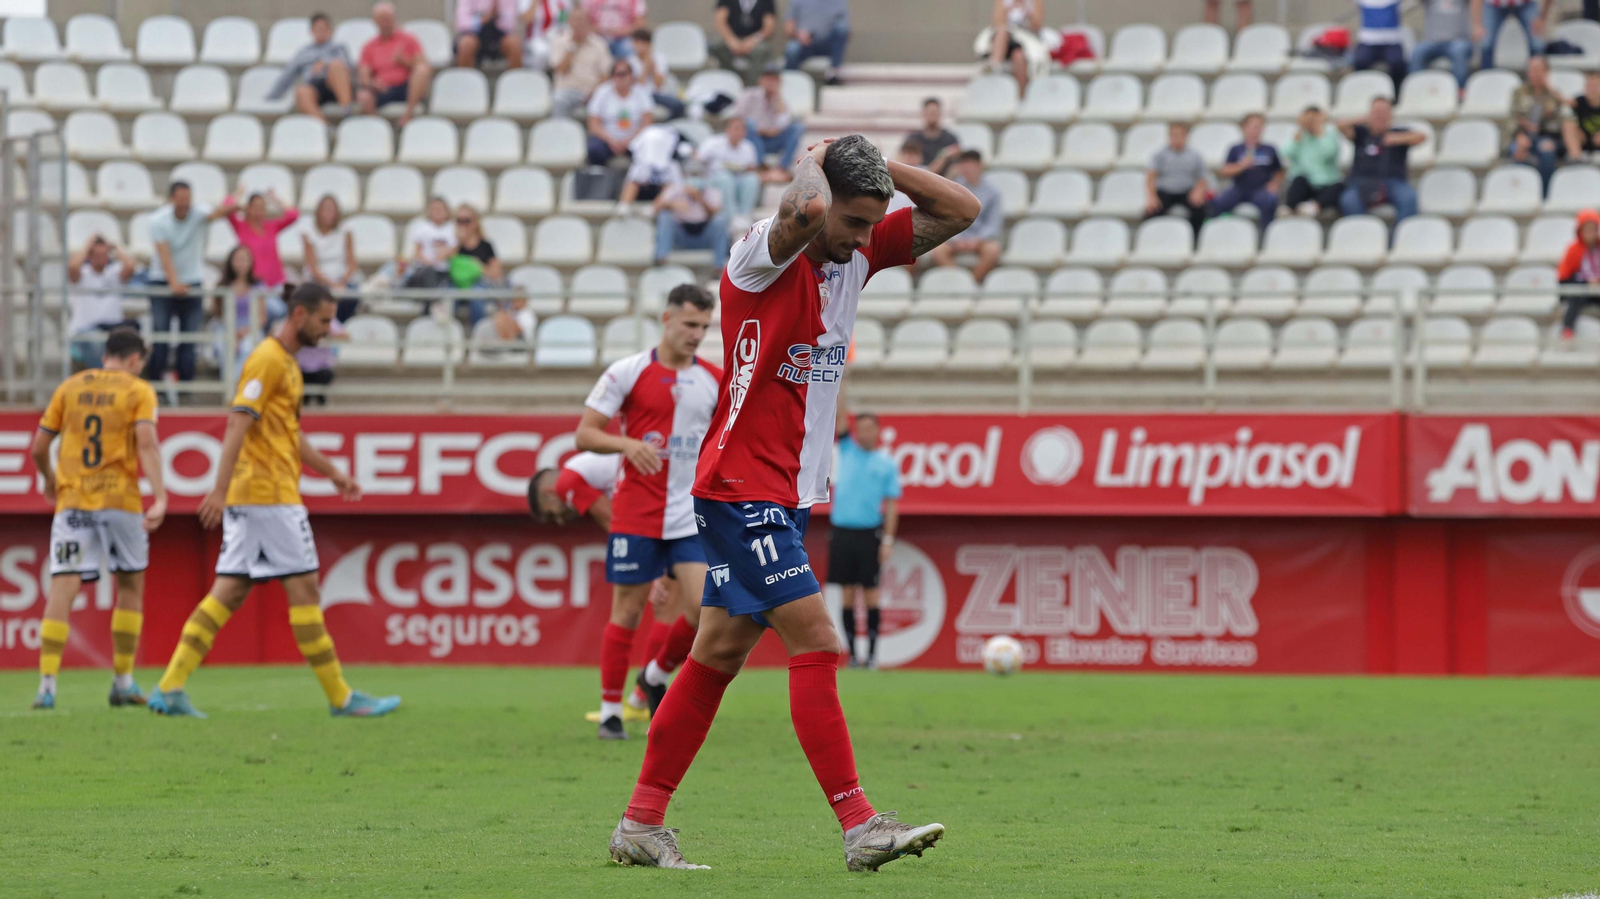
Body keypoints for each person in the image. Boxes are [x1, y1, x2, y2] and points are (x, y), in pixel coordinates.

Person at [607, 133, 979, 872]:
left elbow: (960, 209)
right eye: (855, 221)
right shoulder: (759, 255)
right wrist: (819, 155)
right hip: (744, 487)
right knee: (819, 640)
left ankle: (640, 823)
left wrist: (874, 166)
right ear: (827, 203)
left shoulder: (857, 253)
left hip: (788, 493)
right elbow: (806, 208)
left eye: (874, 223)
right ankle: (860, 823)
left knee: (714, 655)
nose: (865, 237)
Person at [147, 283, 400, 720]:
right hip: (269, 496)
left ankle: (170, 687)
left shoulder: (288, 365)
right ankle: (341, 697)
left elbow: (289, 434)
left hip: (261, 495)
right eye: (324, 320)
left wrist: (333, 472)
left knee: (228, 592)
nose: (329, 329)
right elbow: (236, 423)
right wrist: (219, 489)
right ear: (299, 315)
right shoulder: (267, 359)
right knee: (305, 589)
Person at [575, 284, 720, 738]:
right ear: (667, 320)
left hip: (688, 514)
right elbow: (585, 434)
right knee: (629, 611)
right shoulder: (627, 371)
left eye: (703, 327)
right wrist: (627, 444)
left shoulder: (716, 378)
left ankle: (655, 675)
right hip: (637, 512)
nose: (696, 334)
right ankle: (611, 711)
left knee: (703, 610)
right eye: (690, 324)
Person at [28, 329, 166, 710]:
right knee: (130, 586)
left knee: (63, 587)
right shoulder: (138, 391)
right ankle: (122, 681)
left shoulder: (69, 388)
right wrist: (161, 495)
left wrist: (51, 480)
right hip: (120, 502)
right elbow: (148, 443)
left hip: (74, 502)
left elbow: (39, 447)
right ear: (136, 359)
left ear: (106, 354)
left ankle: (47, 687)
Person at [527, 453, 678, 725]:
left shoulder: (569, 480)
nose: (561, 520)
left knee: (635, 611)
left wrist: (651, 567)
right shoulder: (594, 468)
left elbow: (614, 520)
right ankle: (640, 697)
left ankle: (621, 705)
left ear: (551, 493)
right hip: (669, 511)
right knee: (669, 610)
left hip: (662, 518)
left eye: (552, 514)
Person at [828, 410, 900, 670]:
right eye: (860, 429)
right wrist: (842, 376)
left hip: (870, 534)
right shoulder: (846, 450)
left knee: (871, 595)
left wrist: (888, 540)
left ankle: (871, 656)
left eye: (869, 428)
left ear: (877, 431)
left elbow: (892, 504)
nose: (864, 434)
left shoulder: (886, 463)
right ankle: (852, 656)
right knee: (847, 594)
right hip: (842, 532)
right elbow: (838, 418)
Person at [145, 181, 229, 386]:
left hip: (192, 282)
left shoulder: (198, 213)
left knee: (190, 338)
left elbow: (218, 213)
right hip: (161, 281)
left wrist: (236, 199)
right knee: (161, 335)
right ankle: (155, 385)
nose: (185, 204)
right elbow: (164, 255)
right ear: (171, 199)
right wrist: (174, 282)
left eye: (188, 199)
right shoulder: (158, 220)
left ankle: (186, 386)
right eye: (181, 199)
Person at [1339, 97, 1424, 223]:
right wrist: (1361, 119)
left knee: (1409, 198)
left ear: (1390, 115)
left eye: (1383, 112)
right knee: (1349, 200)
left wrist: (1397, 139)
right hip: (1362, 181)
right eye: (1376, 112)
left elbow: (1421, 137)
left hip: (1394, 181)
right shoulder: (1362, 133)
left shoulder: (1398, 132)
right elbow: (1340, 126)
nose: (1380, 116)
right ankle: (1365, 237)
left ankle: (1398, 239)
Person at [928, 150, 1002, 281]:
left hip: (981, 239)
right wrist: (957, 239)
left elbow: (993, 223)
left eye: (971, 165)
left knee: (993, 250)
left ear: (980, 166)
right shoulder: (953, 188)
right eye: (964, 165)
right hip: (957, 236)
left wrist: (977, 240)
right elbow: (946, 218)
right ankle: (961, 282)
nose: (967, 169)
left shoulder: (993, 192)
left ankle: (971, 283)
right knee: (938, 251)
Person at [268, 12, 355, 123]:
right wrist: (270, 97)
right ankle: (325, 128)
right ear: (312, 31)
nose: (322, 32)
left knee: (337, 66)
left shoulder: (339, 48)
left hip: (336, 85)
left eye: (325, 29)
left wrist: (325, 64)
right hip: (315, 87)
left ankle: (347, 114)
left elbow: (348, 67)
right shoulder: (303, 52)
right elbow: (287, 75)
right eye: (319, 29)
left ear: (331, 30)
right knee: (301, 91)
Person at [357, 2, 432, 127]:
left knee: (421, 70)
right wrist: (373, 84)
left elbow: (424, 65)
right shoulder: (369, 46)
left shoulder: (409, 39)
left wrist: (404, 61)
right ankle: (378, 129)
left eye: (389, 19)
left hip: (407, 87)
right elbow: (363, 75)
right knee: (363, 96)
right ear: (375, 21)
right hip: (383, 89)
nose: (386, 23)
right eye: (382, 19)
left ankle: (408, 115)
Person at [66, 235, 135, 369]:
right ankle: (105, 379)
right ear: (89, 256)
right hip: (84, 331)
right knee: (97, 341)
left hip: (113, 330)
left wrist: (115, 247)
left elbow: (131, 266)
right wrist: (87, 246)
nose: (101, 258)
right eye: (97, 255)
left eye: (104, 255)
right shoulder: (82, 275)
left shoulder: (114, 274)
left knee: (132, 343)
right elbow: (73, 266)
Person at [1209, 113, 1283, 231]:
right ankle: (1215, 233)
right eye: (1253, 126)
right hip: (1239, 188)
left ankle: (1266, 236)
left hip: (1261, 189)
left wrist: (1274, 184)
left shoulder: (1270, 149)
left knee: (1271, 201)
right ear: (1244, 128)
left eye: (1259, 126)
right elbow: (1224, 171)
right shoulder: (1235, 149)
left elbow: (1279, 170)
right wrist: (1241, 166)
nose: (1256, 130)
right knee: (1217, 203)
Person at [1508, 55, 1570, 194]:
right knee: (1516, 151)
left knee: (1547, 151)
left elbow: (1559, 121)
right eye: (1531, 70)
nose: (1534, 74)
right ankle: (1521, 192)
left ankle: (1545, 193)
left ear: (1546, 72)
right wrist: (1519, 136)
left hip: (1545, 136)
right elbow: (1512, 119)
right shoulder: (1518, 93)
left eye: (1538, 69)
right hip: (1523, 136)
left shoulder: (1553, 94)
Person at [653, 164, 730, 270]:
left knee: (720, 220)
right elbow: (656, 208)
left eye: (698, 175)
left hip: (704, 235)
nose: (695, 178)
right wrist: (671, 204)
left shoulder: (711, 190)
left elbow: (715, 213)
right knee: (664, 217)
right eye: (692, 175)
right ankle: (660, 259)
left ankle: (719, 266)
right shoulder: (676, 188)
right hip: (682, 235)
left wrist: (698, 197)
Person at [734, 63, 804, 179]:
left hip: (772, 140)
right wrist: (762, 130)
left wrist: (778, 96)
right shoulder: (749, 95)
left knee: (797, 127)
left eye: (774, 79)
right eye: (768, 78)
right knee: (749, 126)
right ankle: (760, 165)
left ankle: (782, 168)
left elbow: (782, 124)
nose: (770, 82)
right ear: (760, 80)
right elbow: (737, 120)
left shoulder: (781, 100)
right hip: (752, 139)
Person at [223, 186, 299, 290]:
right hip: (254, 284)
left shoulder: (271, 226)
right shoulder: (241, 226)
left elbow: (293, 215)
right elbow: (226, 207)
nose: (258, 211)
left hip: (276, 282)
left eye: (262, 208)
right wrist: (238, 193)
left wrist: (275, 199)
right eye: (255, 207)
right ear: (248, 208)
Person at [1145, 121, 1210, 237]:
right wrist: (1152, 196)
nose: (1177, 138)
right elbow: (1151, 176)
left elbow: (1202, 178)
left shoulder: (1195, 156)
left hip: (1187, 192)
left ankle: (1195, 239)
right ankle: (1152, 238)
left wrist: (1198, 191)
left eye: (1180, 135)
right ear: (1169, 137)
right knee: (1150, 212)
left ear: (1186, 136)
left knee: (1201, 210)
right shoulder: (1160, 155)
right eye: (1174, 135)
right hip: (1165, 191)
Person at [302, 195, 359, 320]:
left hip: (341, 278)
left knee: (353, 296)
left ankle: (338, 325)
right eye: (325, 209)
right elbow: (312, 267)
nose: (328, 214)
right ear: (319, 212)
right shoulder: (308, 232)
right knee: (321, 298)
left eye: (331, 210)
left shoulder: (346, 230)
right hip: (319, 280)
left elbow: (352, 263)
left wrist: (342, 281)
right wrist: (332, 284)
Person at [587, 59, 655, 165]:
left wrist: (629, 141)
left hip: (634, 139)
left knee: (649, 145)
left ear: (631, 75)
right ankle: (599, 177)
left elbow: (647, 122)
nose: (620, 78)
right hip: (608, 140)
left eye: (623, 74)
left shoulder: (641, 92)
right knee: (594, 148)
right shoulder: (602, 92)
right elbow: (593, 124)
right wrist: (611, 140)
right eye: (616, 74)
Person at [697, 116, 762, 227]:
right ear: (727, 130)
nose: (739, 132)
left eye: (742, 129)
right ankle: (732, 217)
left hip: (738, 180)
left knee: (752, 179)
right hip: (715, 180)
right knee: (725, 178)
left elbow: (752, 168)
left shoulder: (748, 147)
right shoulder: (713, 143)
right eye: (736, 128)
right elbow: (698, 159)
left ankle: (745, 215)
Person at [551, 7, 614, 119]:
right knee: (558, 99)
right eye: (575, 19)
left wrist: (594, 91)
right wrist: (572, 46)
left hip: (592, 91)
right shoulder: (560, 42)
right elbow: (561, 70)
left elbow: (607, 74)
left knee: (606, 99)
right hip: (567, 90)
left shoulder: (599, 44)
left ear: (588, 23)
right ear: (569, 22)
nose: (578, 23)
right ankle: (562, 134)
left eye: (581, 20)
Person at [1282, 106, 1345, 215]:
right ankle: (1289, 208)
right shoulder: (1300, 136)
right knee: (1298, 181)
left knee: (1338, 187)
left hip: (1326, 184)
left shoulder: (1329, 135)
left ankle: (1314, 206)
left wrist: (1319, 133)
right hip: (1306, 184)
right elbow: (1286, 154)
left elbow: (1329, 153)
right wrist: (1298, 136)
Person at [452, 204, 504, 324]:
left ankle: (477, 333)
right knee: (447, 294)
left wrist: (477, 266)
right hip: (457, 286)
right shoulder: (453, 246)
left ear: (475, 222)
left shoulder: (486, 246)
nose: (463, 225)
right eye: (459, 221)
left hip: (479, 285)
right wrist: (457, 243)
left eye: (467, 221)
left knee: (476, 292)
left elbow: (496, 273)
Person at [1411, 0, 1475, 89]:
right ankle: (1415, 89)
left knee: (1460, 51)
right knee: (1417, 52)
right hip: (1432, 40)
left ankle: (1460, 90)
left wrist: (1477, 25)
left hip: (1458, 40)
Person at [711, 0, 777, 85]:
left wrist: (753, 40)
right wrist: (731, 40)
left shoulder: (766, 1)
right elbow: (720, 21)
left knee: (762, 50)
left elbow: (769, 28)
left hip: (755, 40)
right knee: (717, 45)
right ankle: (730, 80)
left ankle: (751, 85)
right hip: (732, 37)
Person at [1558, 208, 1600, 339]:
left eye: (1593, 230)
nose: (1590, 234)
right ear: (1580, 231)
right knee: (1575, 297)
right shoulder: (1573, 249)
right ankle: (1568, 329)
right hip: (1580, 289)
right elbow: (1564, 277)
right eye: (1586, 230)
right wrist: (1586, 282)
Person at [784, 0, 850, 84]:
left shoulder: (838, 2)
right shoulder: (797, 1)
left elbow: (846, 31)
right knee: (791, 49)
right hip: (805, 44)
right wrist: (798, 35)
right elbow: (788, 29)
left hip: (828, 44)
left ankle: (834, 73)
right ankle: (789, 84)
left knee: (841, 29)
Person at [1351, 0, 1407, 95]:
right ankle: (1362, 92)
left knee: (1398, 63)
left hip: (1391, 42)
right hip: (1367, 42)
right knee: (1360, 61)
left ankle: (1397, 94)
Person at [1478, 0, 1551, 71]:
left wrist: (1542, 18)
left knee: (1537, 45)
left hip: (1526, 3)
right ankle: (1487, 80)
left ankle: (1538, 79)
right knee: (1486, 45)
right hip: (1494, 4)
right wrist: (1476, 24)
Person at [401, 196, 457, 287]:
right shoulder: (422, 227)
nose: (438, 212)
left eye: (440, 209)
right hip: (424, 268)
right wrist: (426, 261)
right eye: (435, 209)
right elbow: (418, 250)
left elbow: (455, 250)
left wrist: (446, 253)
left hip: (443, 270)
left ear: (447, 212)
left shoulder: (451, 229)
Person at [629, 28, 685, 120]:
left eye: (643, 43)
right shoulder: (630, 62)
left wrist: (653, 67)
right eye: (637, 43)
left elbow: (659, 84)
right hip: (640, 96)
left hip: (657, 95)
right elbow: (638, 86)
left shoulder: (659, 58)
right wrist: (646, 68)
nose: (640, 47)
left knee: (678, 105)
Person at [989, 0, 1041, 94]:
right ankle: (994, 67)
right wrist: (1008, 9)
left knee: (1019, 57)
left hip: (1025, 41)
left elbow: (1036, 25)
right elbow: (997, 23)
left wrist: (1026, 11)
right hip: (1006, 39)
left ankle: (1021, 97)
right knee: (1002, 32)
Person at [455, 0, 523, 69]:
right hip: (474, 34)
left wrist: (496, 14)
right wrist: (482, 20)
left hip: (498, 36)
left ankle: (516, 78)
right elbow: (462, 23)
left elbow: (511, 25)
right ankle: (464, 78)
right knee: (466, 43)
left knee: (514, 43)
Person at [902, 97, 961, 173]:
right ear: (923, 113)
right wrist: (944, 155)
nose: (932, 116)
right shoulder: (913, 139)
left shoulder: (950, 139)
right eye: (930, 113)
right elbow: (901, 159)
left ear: (940, 114)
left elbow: (957, 166)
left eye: (934, 113)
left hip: (945, 181)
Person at [1565, 70, 1600, 160]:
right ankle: (1576, 158)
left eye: (1594, 86)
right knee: (1568, 123)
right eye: (1588, 86)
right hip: (1583, 139)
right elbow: (1563, 102)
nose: (1591, 89)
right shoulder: (1579, 101)